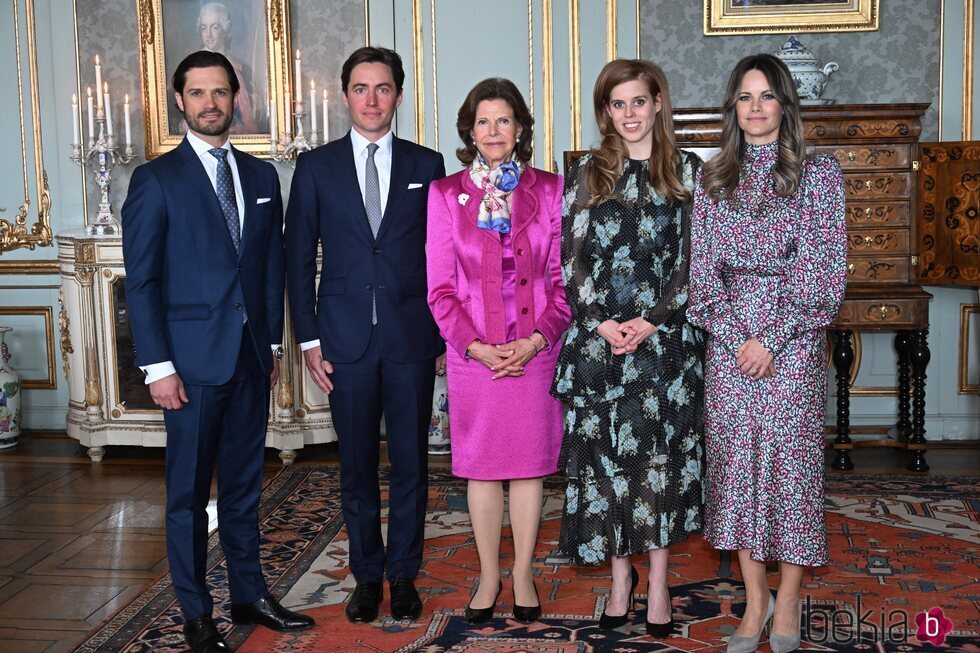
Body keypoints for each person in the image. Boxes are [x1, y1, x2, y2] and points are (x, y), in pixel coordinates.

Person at [122, 50, 313, 653]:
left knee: (243, 490)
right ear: (180, 101)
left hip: (252, 359)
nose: (210, 103)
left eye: (220, 92)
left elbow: (268, 271)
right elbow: (143, 282)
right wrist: (158, 367)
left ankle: (250, 595)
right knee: (186, 496)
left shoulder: (260, 178)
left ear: (236, 97)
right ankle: (197, 613)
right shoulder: (155, 180)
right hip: (188, 367)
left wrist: (274, 344)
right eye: (198, 93)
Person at [687, 53, 847, 653]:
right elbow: (702, 280)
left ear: (785, 103)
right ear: (733, 106)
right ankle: (755, 601)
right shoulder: (712, 180)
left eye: (766, 96)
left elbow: (823, 276)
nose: (755, 108)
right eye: (745, 97)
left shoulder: (818, 174)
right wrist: (737, 339)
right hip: (728, 350)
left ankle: (790, 600)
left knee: (789, 473)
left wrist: (771, 340)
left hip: (793, 348)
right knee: (736, 476)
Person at [284, 46, 446, 623]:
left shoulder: (428, 165)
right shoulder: (316, 167)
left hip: (410, 339)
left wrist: (443, 336)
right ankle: (366, 577)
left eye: (382, 88)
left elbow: (441, 256)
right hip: (343, 341)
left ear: (398, 96)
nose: (371, 99)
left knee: (410, 464)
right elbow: (297, 258)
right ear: (345, 94)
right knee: (355, 467)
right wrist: (308, 340)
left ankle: (403, 575)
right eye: (360, 88)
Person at [551, 58, 705, 638]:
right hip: (600, 345)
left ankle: (659, 581)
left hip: (663, 347)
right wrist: (599, 322)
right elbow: (572, 259)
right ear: (606, 112)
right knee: (607, 466)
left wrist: (652, 320)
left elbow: (695, 259)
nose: (629, 114)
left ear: (658, 103)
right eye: (617, 105)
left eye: (639, 101)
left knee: (657, 468)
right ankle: (621, 580)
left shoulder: (687, 171)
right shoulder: (588, 173)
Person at [426, 78, 571, 624]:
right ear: (469, 130)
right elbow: (439, 289)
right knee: (483, 471)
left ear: (520, 129)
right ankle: (489, 574)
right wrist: (479, 349)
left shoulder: (551, 190)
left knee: (529, 469)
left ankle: (524, 573)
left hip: (535, 350)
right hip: (473, 356)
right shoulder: (446, 195)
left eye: (503, 121)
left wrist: (535, 341)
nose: (493, 131)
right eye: (483, 122)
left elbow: (563, 285)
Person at [194, 2, 258, 133]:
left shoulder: (241, 69)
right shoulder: (188, 67)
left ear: (225, 29)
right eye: (204, 28)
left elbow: (250, 115)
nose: (208, 34)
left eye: (215, 27)